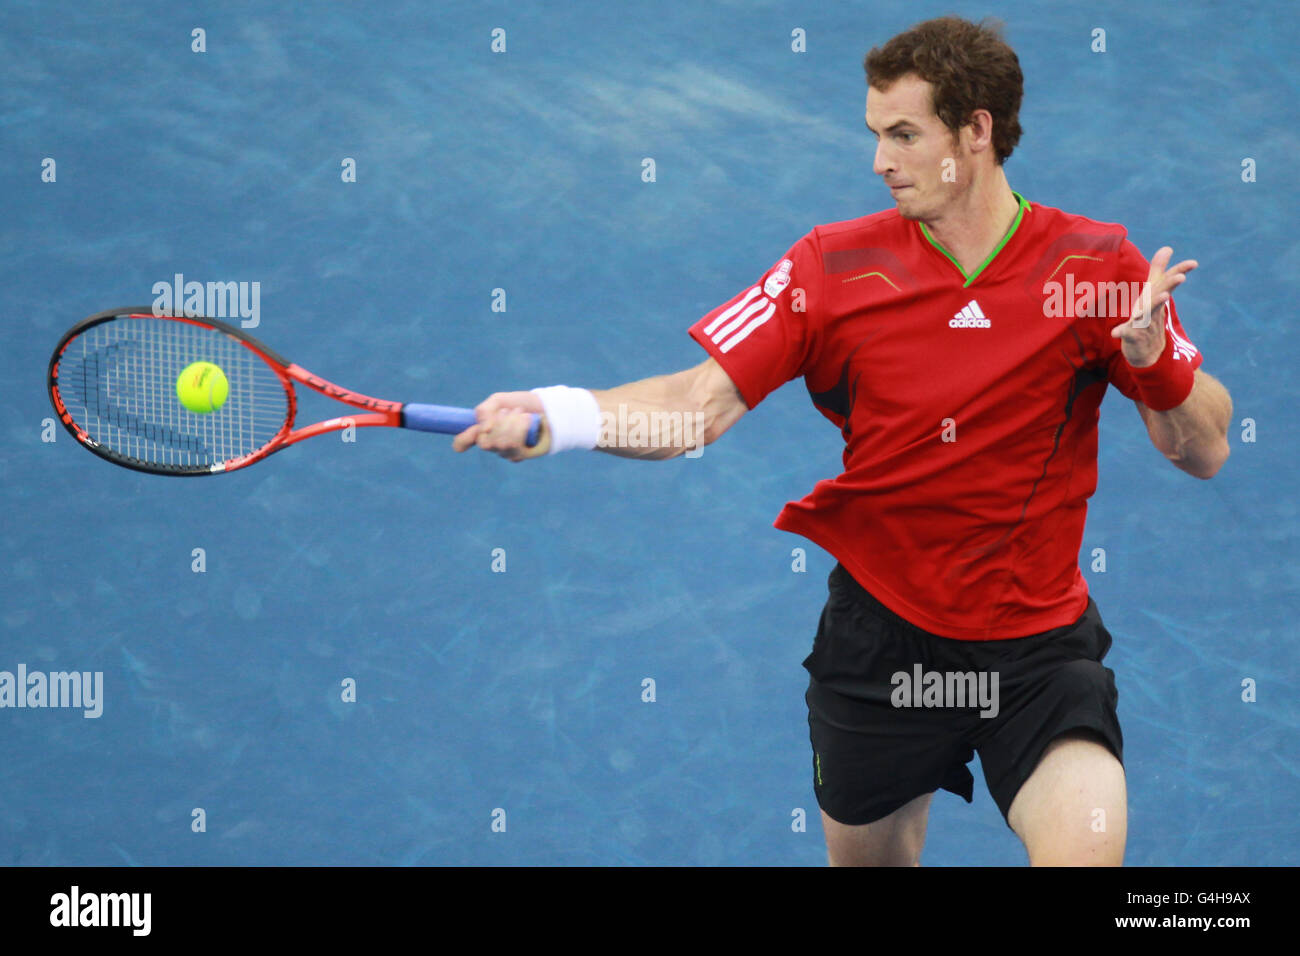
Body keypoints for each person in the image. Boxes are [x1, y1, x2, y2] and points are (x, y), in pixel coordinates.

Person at [452, 16, 1233, 866]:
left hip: (1038, 656)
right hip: (883, 649)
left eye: (904, 135)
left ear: (975, 131)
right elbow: (696, 408)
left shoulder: (1095, 269)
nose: (879, 162)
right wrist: (563, 416)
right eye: (875, 134)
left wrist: (1154, 363)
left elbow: (1203, 449)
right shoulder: (831, 270)